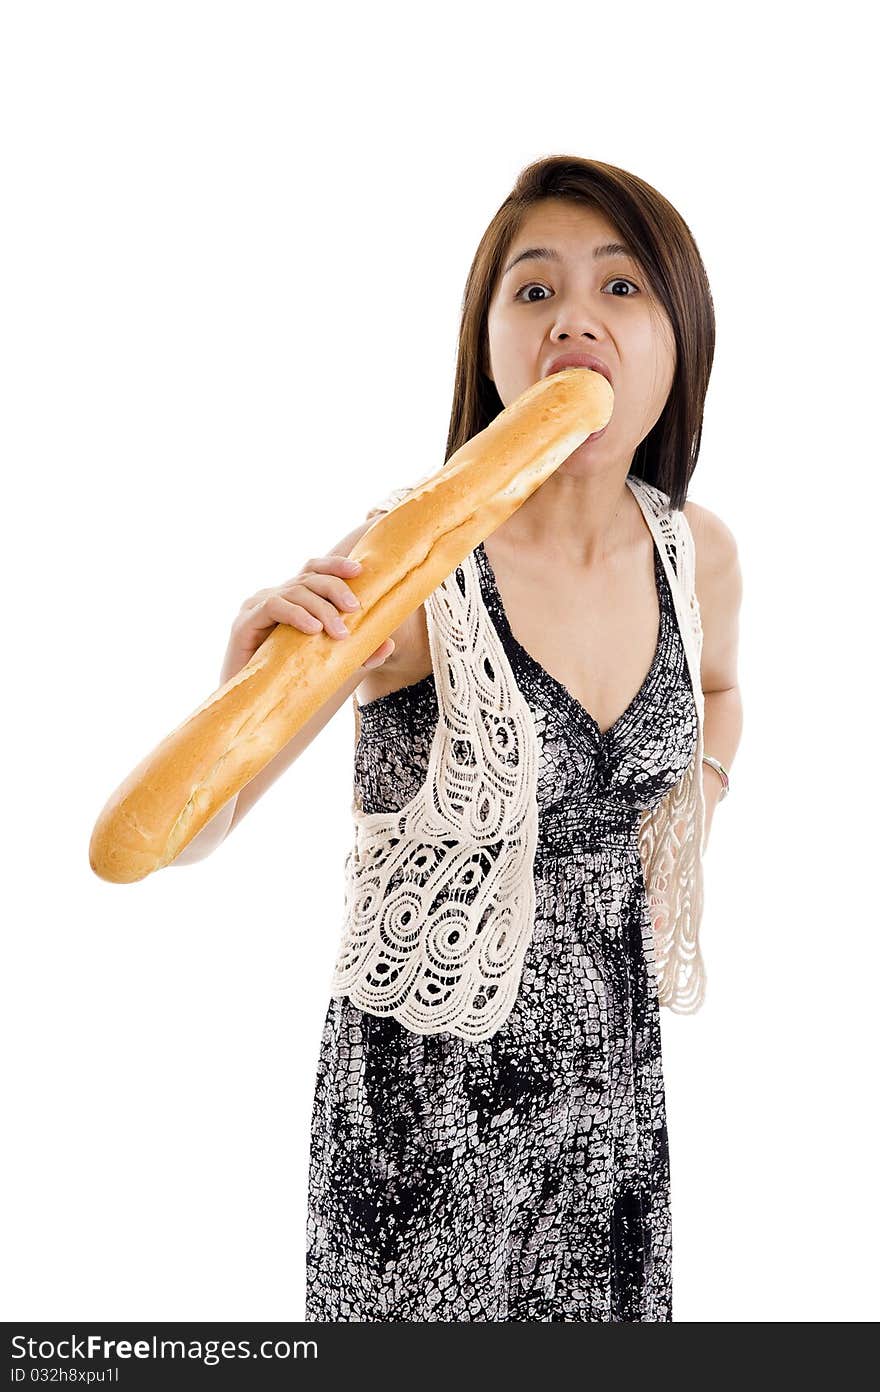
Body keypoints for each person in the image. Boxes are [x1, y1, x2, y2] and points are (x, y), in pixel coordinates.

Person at [176, 155, 743, 1321]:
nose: (573, 323)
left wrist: (695, 795)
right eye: (532, 293)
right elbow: (191, 833)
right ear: (485, 344)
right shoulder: (408, 568)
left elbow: (721, 691)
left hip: (612, 1112)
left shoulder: (698, 554)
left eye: (621, 289)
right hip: (422, 1127)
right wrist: (232, 700)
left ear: (678, 335)